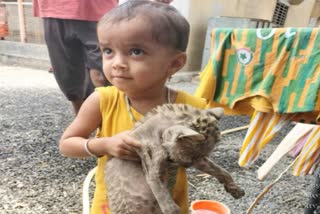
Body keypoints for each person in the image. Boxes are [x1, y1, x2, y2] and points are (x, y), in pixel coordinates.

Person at [59, 1, 210, 213]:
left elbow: (198, 154)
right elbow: (67, 144)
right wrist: (105, 145)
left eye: (136, 51)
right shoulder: (102, 101)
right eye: (108, 51)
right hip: (114, 205)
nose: (117, 63)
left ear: (174, 63)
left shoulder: (189, 107)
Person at [33, 0, 117, 114]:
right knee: (69, 81)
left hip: (96, 8)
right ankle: (83, 125)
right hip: (53, 9)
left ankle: (113, 122)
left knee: (103, 76)